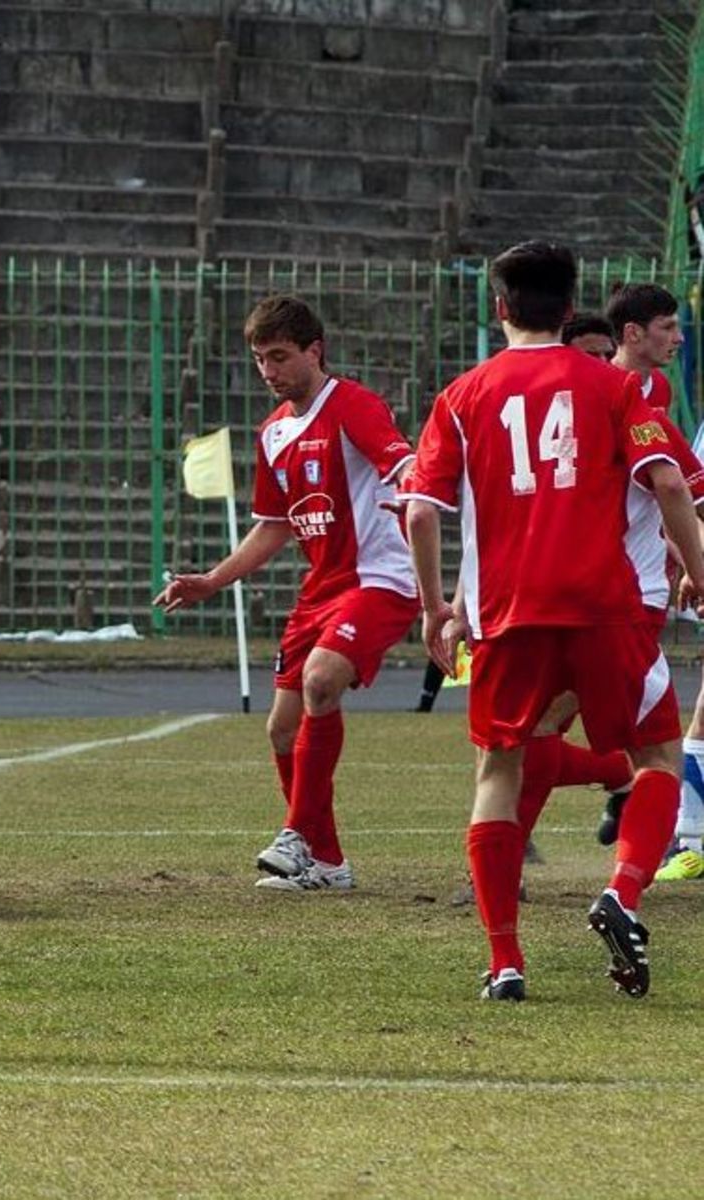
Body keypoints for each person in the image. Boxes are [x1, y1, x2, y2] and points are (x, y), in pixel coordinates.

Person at [400, 240, 704, 1003]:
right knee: (659, 757)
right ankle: (622, 893)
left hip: (507, 613)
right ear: (571, 310)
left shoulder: (462, 396)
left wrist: (437, 606)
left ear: (497, 308)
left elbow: (420, 510)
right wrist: (701, 576)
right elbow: (667, 481)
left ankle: (504, 961)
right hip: (604, 608)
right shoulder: (612, 388)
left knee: (498, 771)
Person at [154, 295, 418, 892]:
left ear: (314, 351)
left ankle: (297, 830)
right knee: (281, 729)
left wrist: (416, 498)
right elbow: (275, 523)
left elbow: (403, 468)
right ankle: (327, 863)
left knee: (323, 680)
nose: (269, 371)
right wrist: (213, 580)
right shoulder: (273, 432)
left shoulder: (353, 405)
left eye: (279, 356)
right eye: (259, 359)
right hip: (319, 591)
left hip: (379, 579)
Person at [594, 282, 704, 881]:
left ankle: (657, 829)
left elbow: (667, 484)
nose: (679, 338)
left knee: (644, 730)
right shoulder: (602, 393)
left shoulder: (655, 391)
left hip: (638, 586)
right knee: (543, 729)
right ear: (632, 333)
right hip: (604, 591)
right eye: (668, 327)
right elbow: (671, 485)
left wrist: (683, 557)